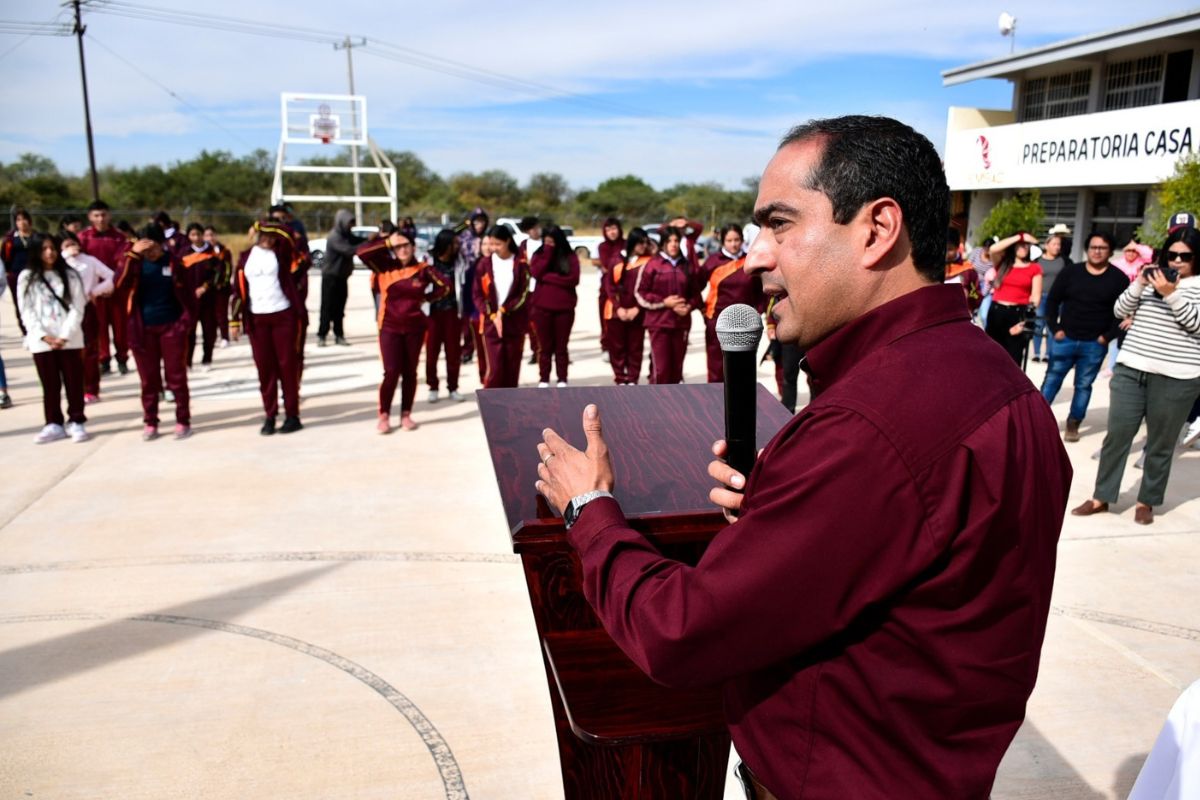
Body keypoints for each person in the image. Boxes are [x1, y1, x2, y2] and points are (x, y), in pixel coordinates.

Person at [533, 115, 1071, 798]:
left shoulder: (870, 424)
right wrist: (783, 511)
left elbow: (682, 633)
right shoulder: (1001, 384)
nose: (756, 256)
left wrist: (591, 511)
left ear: (877, 230)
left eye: (780, 224)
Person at [1072, 225, 1200, 526]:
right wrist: (1140, 284)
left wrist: (1171, 296)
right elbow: (1119, 310)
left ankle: (1147, 501)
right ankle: (1101, 497)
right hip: (1132, 368)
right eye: (1172, 254)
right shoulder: (1152, 279)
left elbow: (1195, 324)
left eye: (1186, 256)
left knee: (1160, 442)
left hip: (1177, 376)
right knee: (1117, 435)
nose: (1177, 261)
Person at [357, 228, 450, 432]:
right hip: (388, 327)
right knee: (391, 372)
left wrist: (426, 298)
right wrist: (388, 242)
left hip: (415, 328)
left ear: (413, 247)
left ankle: (406, 413)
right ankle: (384, 414)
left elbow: (445, 286)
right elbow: (361, 253)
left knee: (410, 373)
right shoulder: (384, 266)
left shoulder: (423, 269)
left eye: (405, 245)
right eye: (398, 247)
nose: (402, 250)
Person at [1040, 231, 1129, 442]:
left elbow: (1124, 312)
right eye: (1093, 247)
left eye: (1102, 248)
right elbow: (1052, 301)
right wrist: (1055, 329)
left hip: (1094, 343)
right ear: (1087, 249)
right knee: (1051, 380)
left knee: (1083, 385)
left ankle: (1074, 423)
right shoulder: (1071, 272)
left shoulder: (1118, 278)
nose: (1097, 251)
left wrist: (1106, 337)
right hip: (1065, 338)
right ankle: (1038, 420)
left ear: (1109, 251)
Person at [117, 225, 200, 441]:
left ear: (161, 244)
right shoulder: (134, 262)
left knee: (176, 377)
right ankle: (150, 422)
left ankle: (183, 420)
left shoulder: (174, 262)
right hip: (142, 329)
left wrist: (186, 323)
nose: (149, 253)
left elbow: (189, 294)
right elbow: (119, 285)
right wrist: (132, 256)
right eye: (144, 248)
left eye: (152, 247)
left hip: (172, 326)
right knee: (148, 380)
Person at [231, 220, 305, 436]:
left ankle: (292, 415)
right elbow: (238, 289)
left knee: (287, 367)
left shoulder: (282, 253)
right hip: (257, 318)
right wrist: (234, 320)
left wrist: (258, 223)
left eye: (270, 235)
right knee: (265, 369)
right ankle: (270, 415)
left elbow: (289, 234)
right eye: (262, 234)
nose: (267, 238)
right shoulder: (246, 256)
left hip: (283, 314)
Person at [18, 233, 89, 443]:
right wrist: (44, 336)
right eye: (44, 249)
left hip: (70, 340)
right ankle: (54, 423)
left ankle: (76, 420)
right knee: (50, 385)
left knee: (74, 382)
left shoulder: (70, 275)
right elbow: (26, 311)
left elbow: (78, 307)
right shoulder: (27, 277)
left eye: (52, 248)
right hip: (42, 342)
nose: (49, 253)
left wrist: (64, 336)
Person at [701, 223, 764, 382]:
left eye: (737, 240)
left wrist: (759, 310)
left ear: (743, 240)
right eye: (729, 240)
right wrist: (702, 309)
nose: (734, 244)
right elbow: (694, 285)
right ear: (722, 241)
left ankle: (742, 404)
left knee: (744, 367)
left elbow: (762, 289)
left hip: (745, 322)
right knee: (717, 366)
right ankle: (715, 403)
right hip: (717, 320)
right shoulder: (713, 261)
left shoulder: (751, 260)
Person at [634, 226, 697, 384]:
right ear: (663, 244)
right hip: (659, 324)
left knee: (676, 370)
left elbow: (695, 295)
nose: (673, 244)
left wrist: (688, 306)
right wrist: (665, 303)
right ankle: (656, 405)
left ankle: (674, 406)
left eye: (676, 240)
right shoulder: (652, 265)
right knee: (661, 369)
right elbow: (640, 293)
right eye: (669, 241)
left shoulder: (686, 265)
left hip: (681, 324)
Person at [472, 224, 530, 389]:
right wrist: (491, 314)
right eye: (491, 244)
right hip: (491, 324)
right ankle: (492, 408)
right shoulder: (484, 264)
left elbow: (524, 294)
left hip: (514, 323)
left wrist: (504, 311)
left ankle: (510, 408)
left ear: (508, 241)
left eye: (498, 244)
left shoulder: (520, 264)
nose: (493, 248)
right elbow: (477, 294)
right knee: (495, 369)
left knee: (512, 368)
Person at [78, 200, 132, 376]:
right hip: (94, 293)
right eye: (96, 215)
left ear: (109, 215)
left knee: (120, 328)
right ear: (90, 217)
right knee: (99, 328)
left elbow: (123, 264)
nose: (100, 219)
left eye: (103, 215)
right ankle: (104, 359)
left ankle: (122, 358)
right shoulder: (84, 238)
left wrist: (114, 285)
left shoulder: (119, 237)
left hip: (116, 291)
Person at [60, 235, 114, 404]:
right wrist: (65, 256)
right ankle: (74, 387)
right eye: (66, 245)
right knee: (70, 351)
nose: (71, 248)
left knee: (90, 350)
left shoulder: (89, 260)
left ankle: (92, 389)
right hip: (65, 310)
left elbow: (112, 276)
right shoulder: (59, 263)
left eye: (73, 244)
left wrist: (95, 291)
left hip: (87, 308)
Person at [530, 225, 580, 388]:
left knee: (561, 347)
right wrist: (547, 254)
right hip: (542, 309)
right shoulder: (539, 254)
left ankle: (562, 379)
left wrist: (549, 278)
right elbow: (536, 273)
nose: (549, 245)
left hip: (564, 309)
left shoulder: (569, 256)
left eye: (552, 242)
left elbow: (573, 279)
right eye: (546, 242)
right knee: (544, 347)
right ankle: (544, 378)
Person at [986, 232, 1043, 366]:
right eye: (1020, 245)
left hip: (1018, 314)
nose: (1024, 248)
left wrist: (1025, 322)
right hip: (997, 311)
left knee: (1012, 359)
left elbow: (1035, 297)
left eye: (1026, 245)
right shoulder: (1003, 264)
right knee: (990, 356)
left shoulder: (1034, 268)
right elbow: (993, 249)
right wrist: (1020, 237)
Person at [603, 227, 650, 385]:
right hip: (616, 313)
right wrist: (619, 307)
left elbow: (648, 288)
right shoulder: (616, 260)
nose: (643, 246)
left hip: (637, 313)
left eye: (645, 242)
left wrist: (637, 308)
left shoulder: (648, 261)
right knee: (616, 348)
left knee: (635, 348)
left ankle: (632, 379)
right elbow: (609, 286)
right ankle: (620, 378)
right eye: (640, 242)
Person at [425, 229, 465, 404]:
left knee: (453, 353)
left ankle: (453, 387)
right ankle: (433, 387)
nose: (458, 246)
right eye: (454, 243)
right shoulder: (428, 261)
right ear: (446, 245)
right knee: (432, 353)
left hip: (452, 314)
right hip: (432, 314)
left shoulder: (459, 261)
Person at [317, 210, 364, 347]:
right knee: (327, 307)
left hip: (342, 277)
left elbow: (356, 240)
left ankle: (339, 335)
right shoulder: (335, 237)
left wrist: (371, 240)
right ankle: (322, 335)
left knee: (340, 307)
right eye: (349, 223)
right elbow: (348, 250)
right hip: (330, 277)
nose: (351, 227)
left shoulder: (346, 235)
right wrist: (366, 245)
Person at [179, 223, 222, 371]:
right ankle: (187, 361)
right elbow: (179, 276)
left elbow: (218, 274)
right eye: (192, 235)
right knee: (189, 331)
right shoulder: (183, 254)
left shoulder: (212, 253)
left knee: (208, 330)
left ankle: (207, 359)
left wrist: (205, 287)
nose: (196, 237)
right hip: (190, 300)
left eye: (198, 234)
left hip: (208, 298)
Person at [1030, 224, 1071, 362]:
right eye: (1054, 244)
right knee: (1038, 324)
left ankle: (1048, 354)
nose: (1057, 247)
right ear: (1046, 245)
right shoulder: (1037, 261)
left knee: (1051, 325)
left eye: (1058, 245)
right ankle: (1036, 353)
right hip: (1040, 297)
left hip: (1056, 299)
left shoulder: (1064, 261)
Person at [456, 208, 489, 365]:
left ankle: (483, 346)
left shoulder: (488, 238)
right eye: (476, 221)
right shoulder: (463, 237)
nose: (480, 225)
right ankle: (468, 349)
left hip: (485, 279)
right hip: (467, 279)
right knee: (467, 317)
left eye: (482, 221)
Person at [597, 217, 626, 362]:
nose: (611, 232)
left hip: (626, 288)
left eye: (614, 228)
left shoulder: (627, 244)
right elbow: (608, 265)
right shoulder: (603, 247)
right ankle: (606, 347)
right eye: (608, 230)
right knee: (606, 320)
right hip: (607, 289)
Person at [3, 208, 35, 334]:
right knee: (20, 302)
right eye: (19, 220)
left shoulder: (36, 236)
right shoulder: (10, 240)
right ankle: (25, 330)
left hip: (35, 273)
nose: (22, 222)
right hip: (16, 275)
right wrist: (7, 272)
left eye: (24, 219)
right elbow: (4, 257)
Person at [203, 226, 234, 348]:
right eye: (207, 235)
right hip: (207, 288)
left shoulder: (223, 251)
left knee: (222, 313)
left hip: (221, 288)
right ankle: (211, 337)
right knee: (209, 316)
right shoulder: (202, 252)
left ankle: (225, 337)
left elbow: (228, 268)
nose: (210, 238)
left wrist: (223, 282)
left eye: (212, 235)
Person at [517, 216, 543, 366]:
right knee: (531, 323)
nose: (536, 231)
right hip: (529, 288)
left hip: (542, 288)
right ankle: (535, 351)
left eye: (537, 227)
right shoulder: (524, 245)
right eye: (532, 228)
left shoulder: (545, 243)